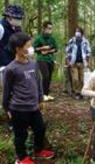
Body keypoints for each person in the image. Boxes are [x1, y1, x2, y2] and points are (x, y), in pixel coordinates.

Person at [2, 32, 54, 164]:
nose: (30, 49)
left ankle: (38, 150)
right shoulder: (10, 69)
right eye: (27, 46)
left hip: (34, 106)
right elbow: (6, 91)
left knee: (40, 128)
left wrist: (41, 99)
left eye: (30, 45)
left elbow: (38, 82)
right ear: (18, 49)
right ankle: (22, 158)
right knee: (21, 135)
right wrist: (6, 108)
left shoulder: (33, 64)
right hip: (18, 108)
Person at [33, 21, 58, 101]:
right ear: (44, 28)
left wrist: (48, 51)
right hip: (41, 59)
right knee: (45, 76)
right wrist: (42, 48)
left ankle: (47, 94)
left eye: (51, 28)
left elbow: (56, 49)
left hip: (50, 59)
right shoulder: (39, 38)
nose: (50, 30)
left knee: (49, 77)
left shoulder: (52, 38)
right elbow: (34, 49)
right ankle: (42, 94)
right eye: (49, 28)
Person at [66, 27, 91, 100]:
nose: (77, 32)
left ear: (81, 33)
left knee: (82, 79)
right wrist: (68, 61)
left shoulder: (85, 41)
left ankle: (82, 92)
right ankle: (77, 92)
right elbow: (67, 51)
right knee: (75, 79)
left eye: (78, 31)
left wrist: (88, 62)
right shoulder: (72, 41)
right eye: (76, 31)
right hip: (73, 63)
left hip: (83, 63)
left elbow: (88, 52)